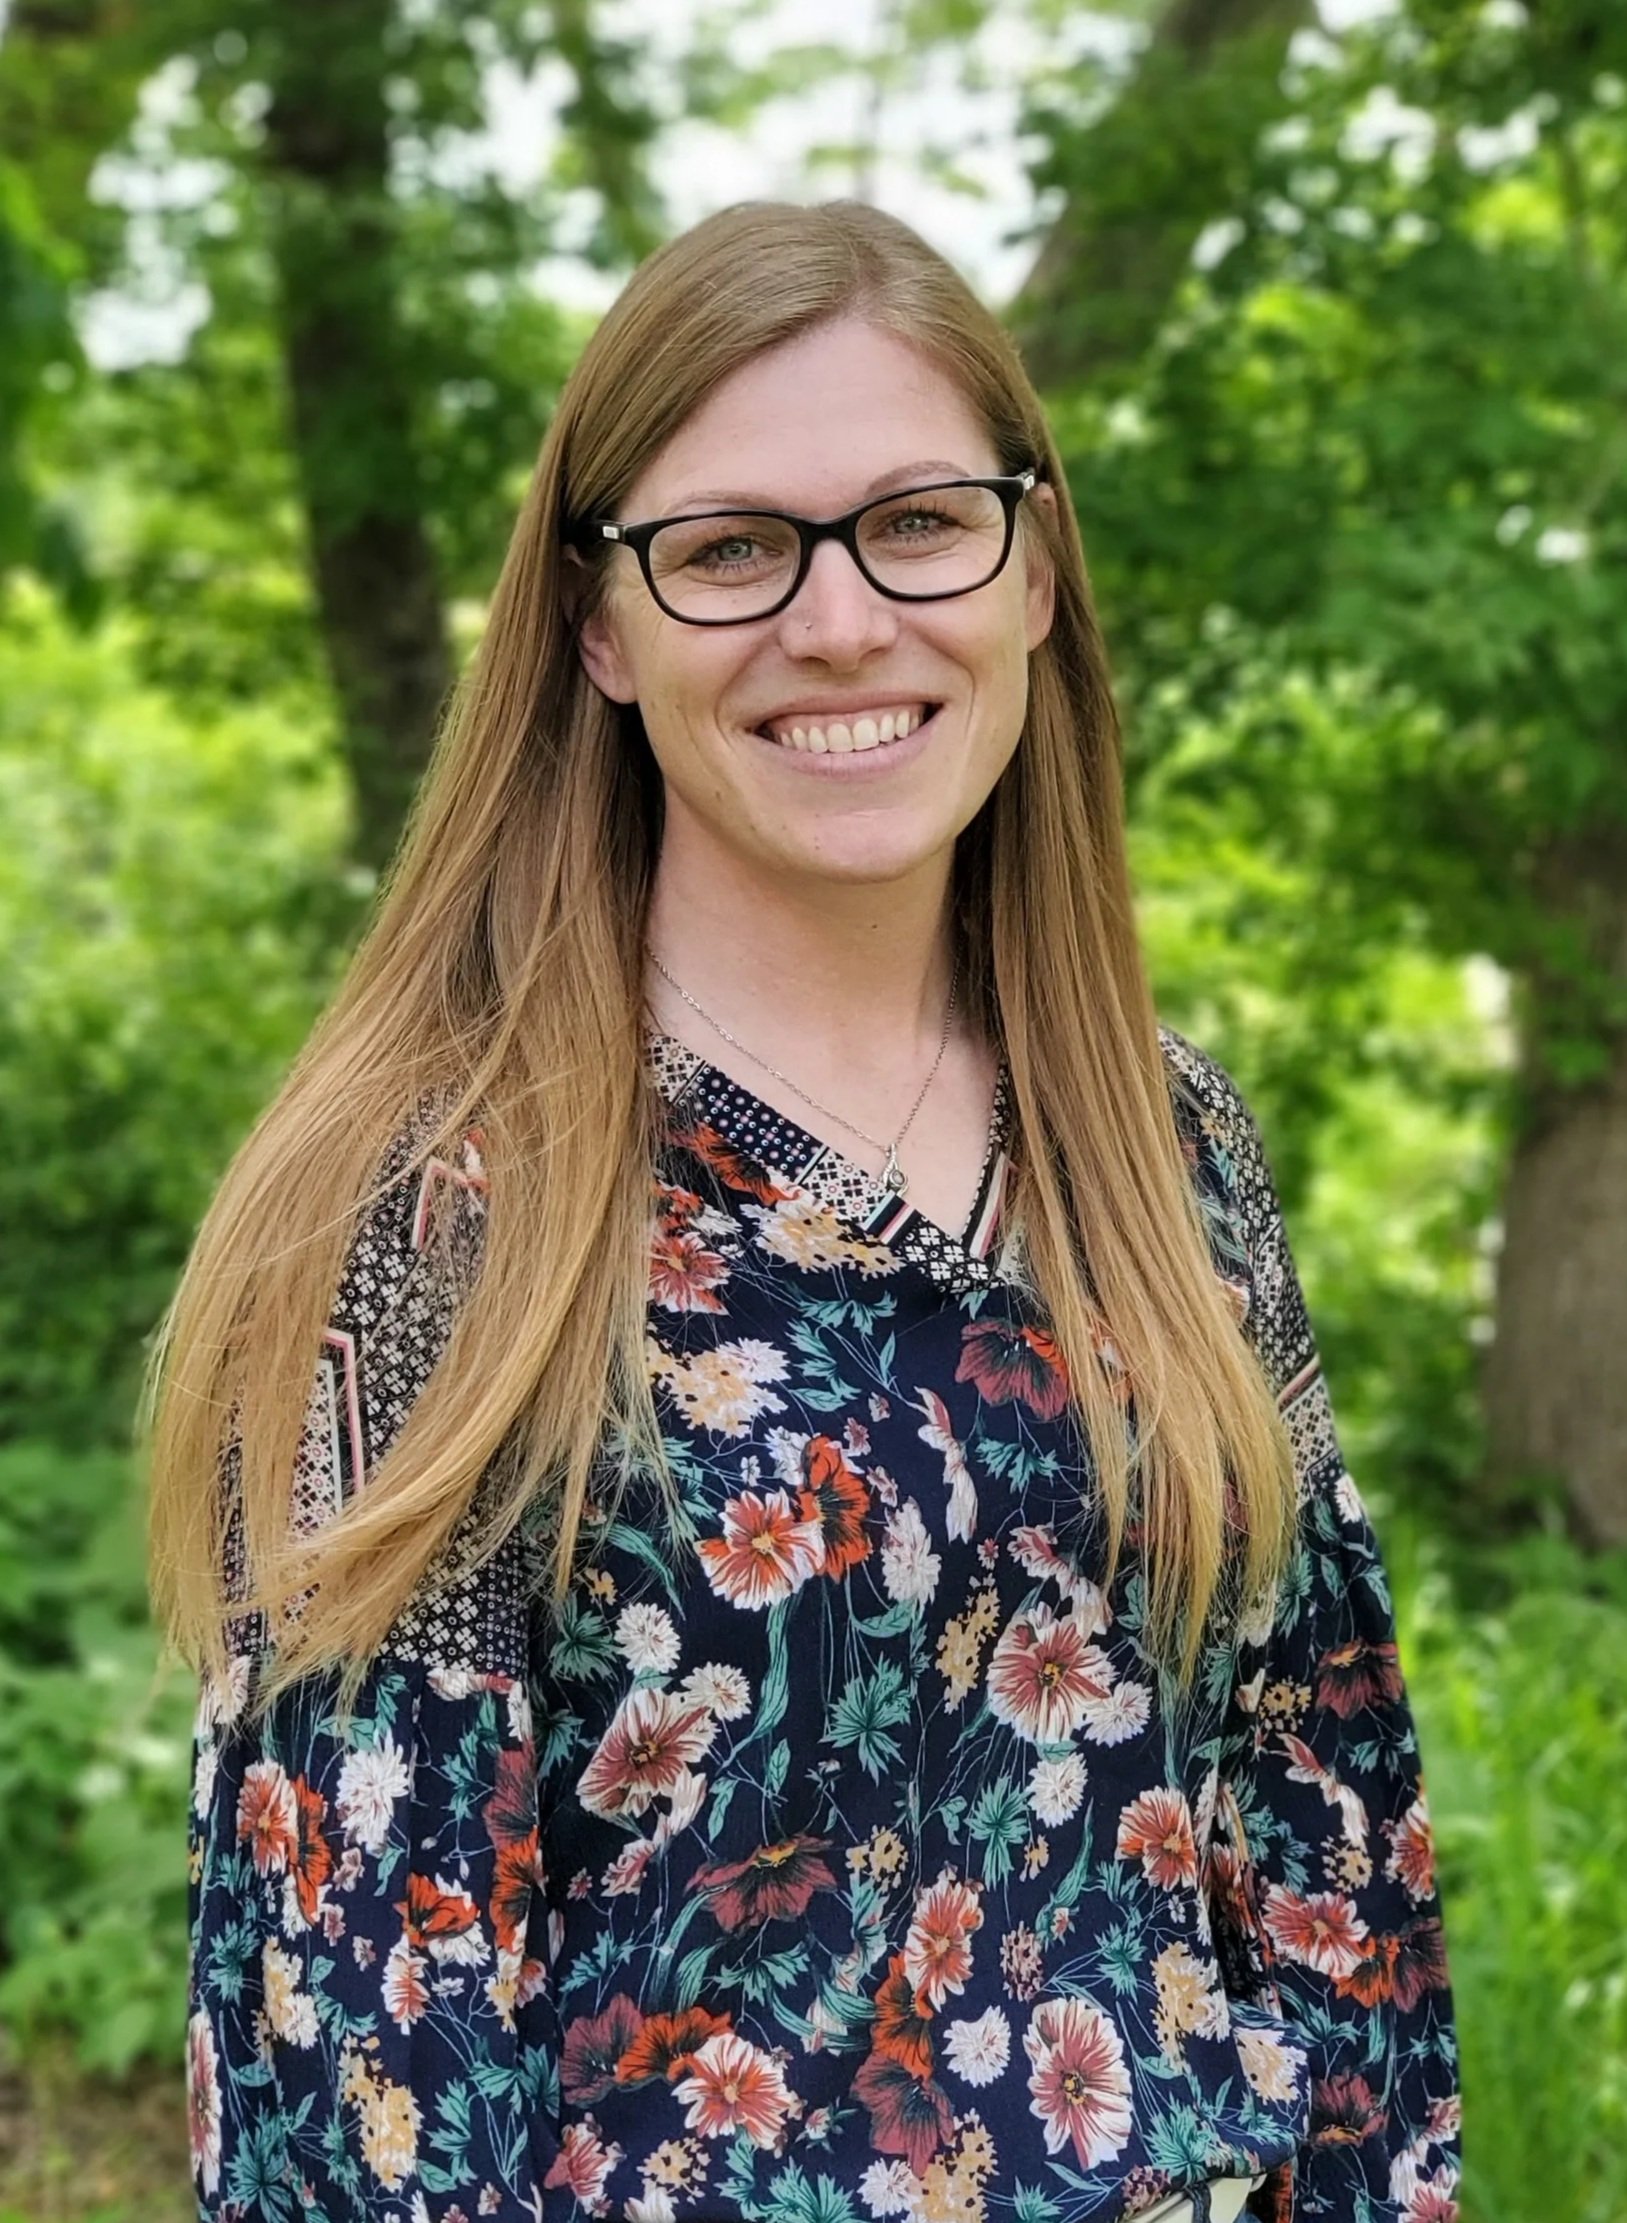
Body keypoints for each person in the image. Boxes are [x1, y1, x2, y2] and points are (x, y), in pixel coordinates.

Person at [150, 199, 1460, 2223]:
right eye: (732, 548)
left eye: (919, 520)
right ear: (600, 624)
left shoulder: (1164, 1135)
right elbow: (348, 2057)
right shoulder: (434, 1202)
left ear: (1032, 569)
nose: (840, 622)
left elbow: (1320, 1837)